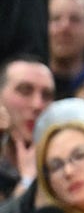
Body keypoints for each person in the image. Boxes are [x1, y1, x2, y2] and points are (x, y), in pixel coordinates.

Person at [0, 56, 54, 201]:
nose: (37, 105)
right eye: (25, 90)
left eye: (46, 95)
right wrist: (27, 181)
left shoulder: (60, 165)